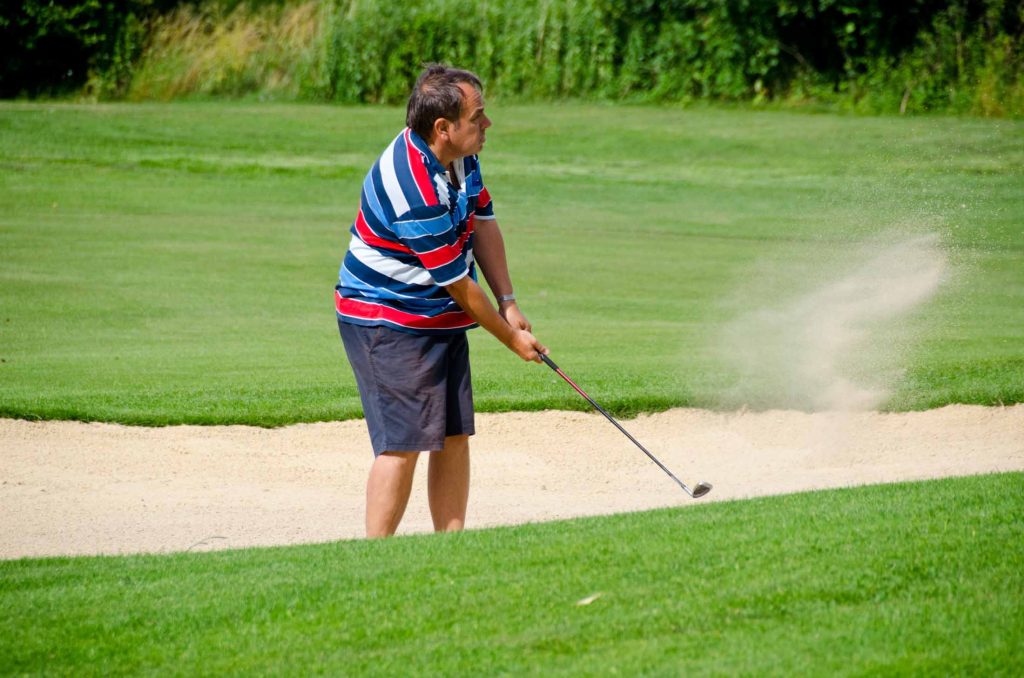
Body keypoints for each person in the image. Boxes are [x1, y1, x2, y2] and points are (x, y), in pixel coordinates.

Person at [335, 64, 547, 538]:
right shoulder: (410, 184)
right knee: (403, 444)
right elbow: (456, 282)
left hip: (437, 314)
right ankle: (374, 559)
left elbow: (484, 220)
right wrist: (511, 339)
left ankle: (450, 549)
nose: (487, 125)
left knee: (453, 435)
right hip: (386, 318)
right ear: (443, 127)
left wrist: (509, 301)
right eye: (478, 117)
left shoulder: (460, 156)